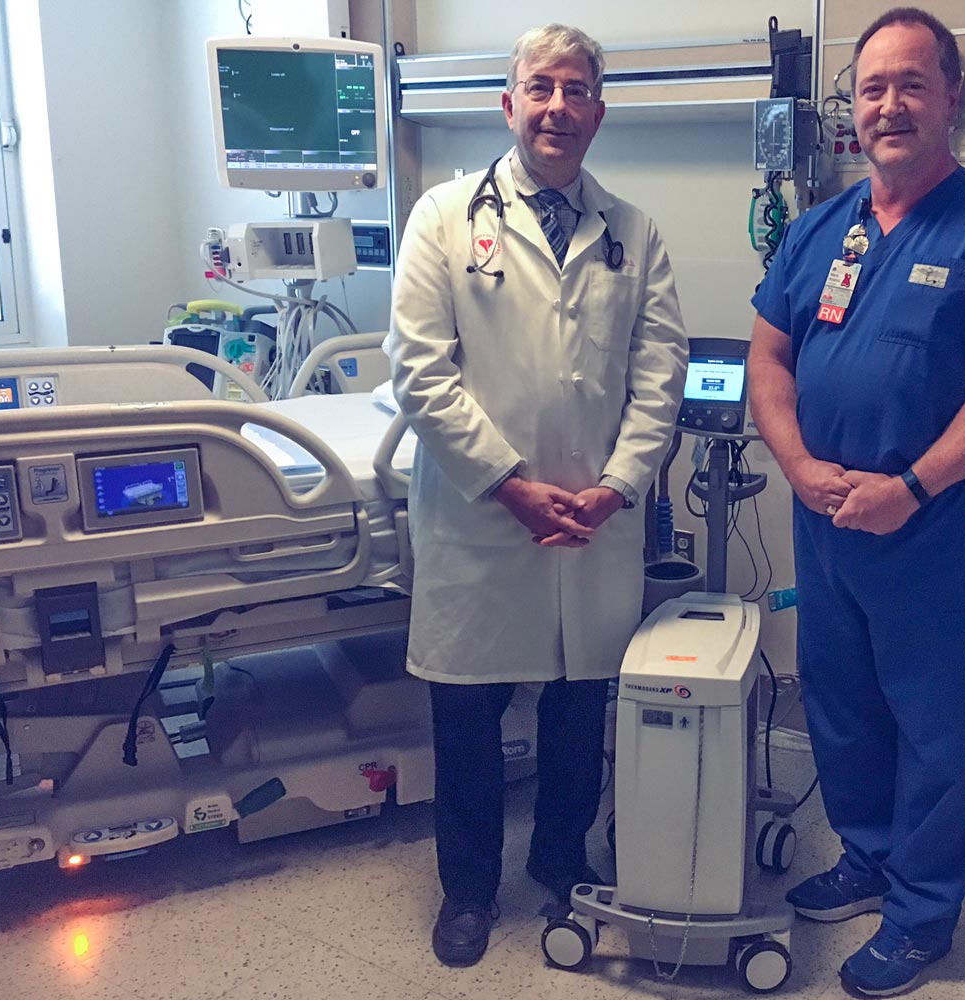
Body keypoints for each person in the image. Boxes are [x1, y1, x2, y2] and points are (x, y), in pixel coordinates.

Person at [747, 7, 965, 995]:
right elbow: (768, 353)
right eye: (872, 87)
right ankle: (866, 853)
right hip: (825, 516)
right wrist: (800, 463)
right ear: (853, 106)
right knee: (841, 703)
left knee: (933, 727)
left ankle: (923, 913)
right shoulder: (819, 231)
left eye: (910, 84)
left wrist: (913, 485)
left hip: (924, 526)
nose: (888, 104)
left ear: (952, 97)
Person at [385, 23, 688, 968]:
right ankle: (469, 892)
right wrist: (511, 484)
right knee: (468, 719)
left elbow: (661, 373)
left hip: (594, 522)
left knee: (576, 707)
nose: (559, 106)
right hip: (481, 517)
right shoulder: (442, 217)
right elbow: (420, 374)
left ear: (599, 110)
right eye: (541, 88)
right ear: (508, 105)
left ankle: (562, 863)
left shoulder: (634, 234)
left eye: (578, 90)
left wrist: (620, 484)